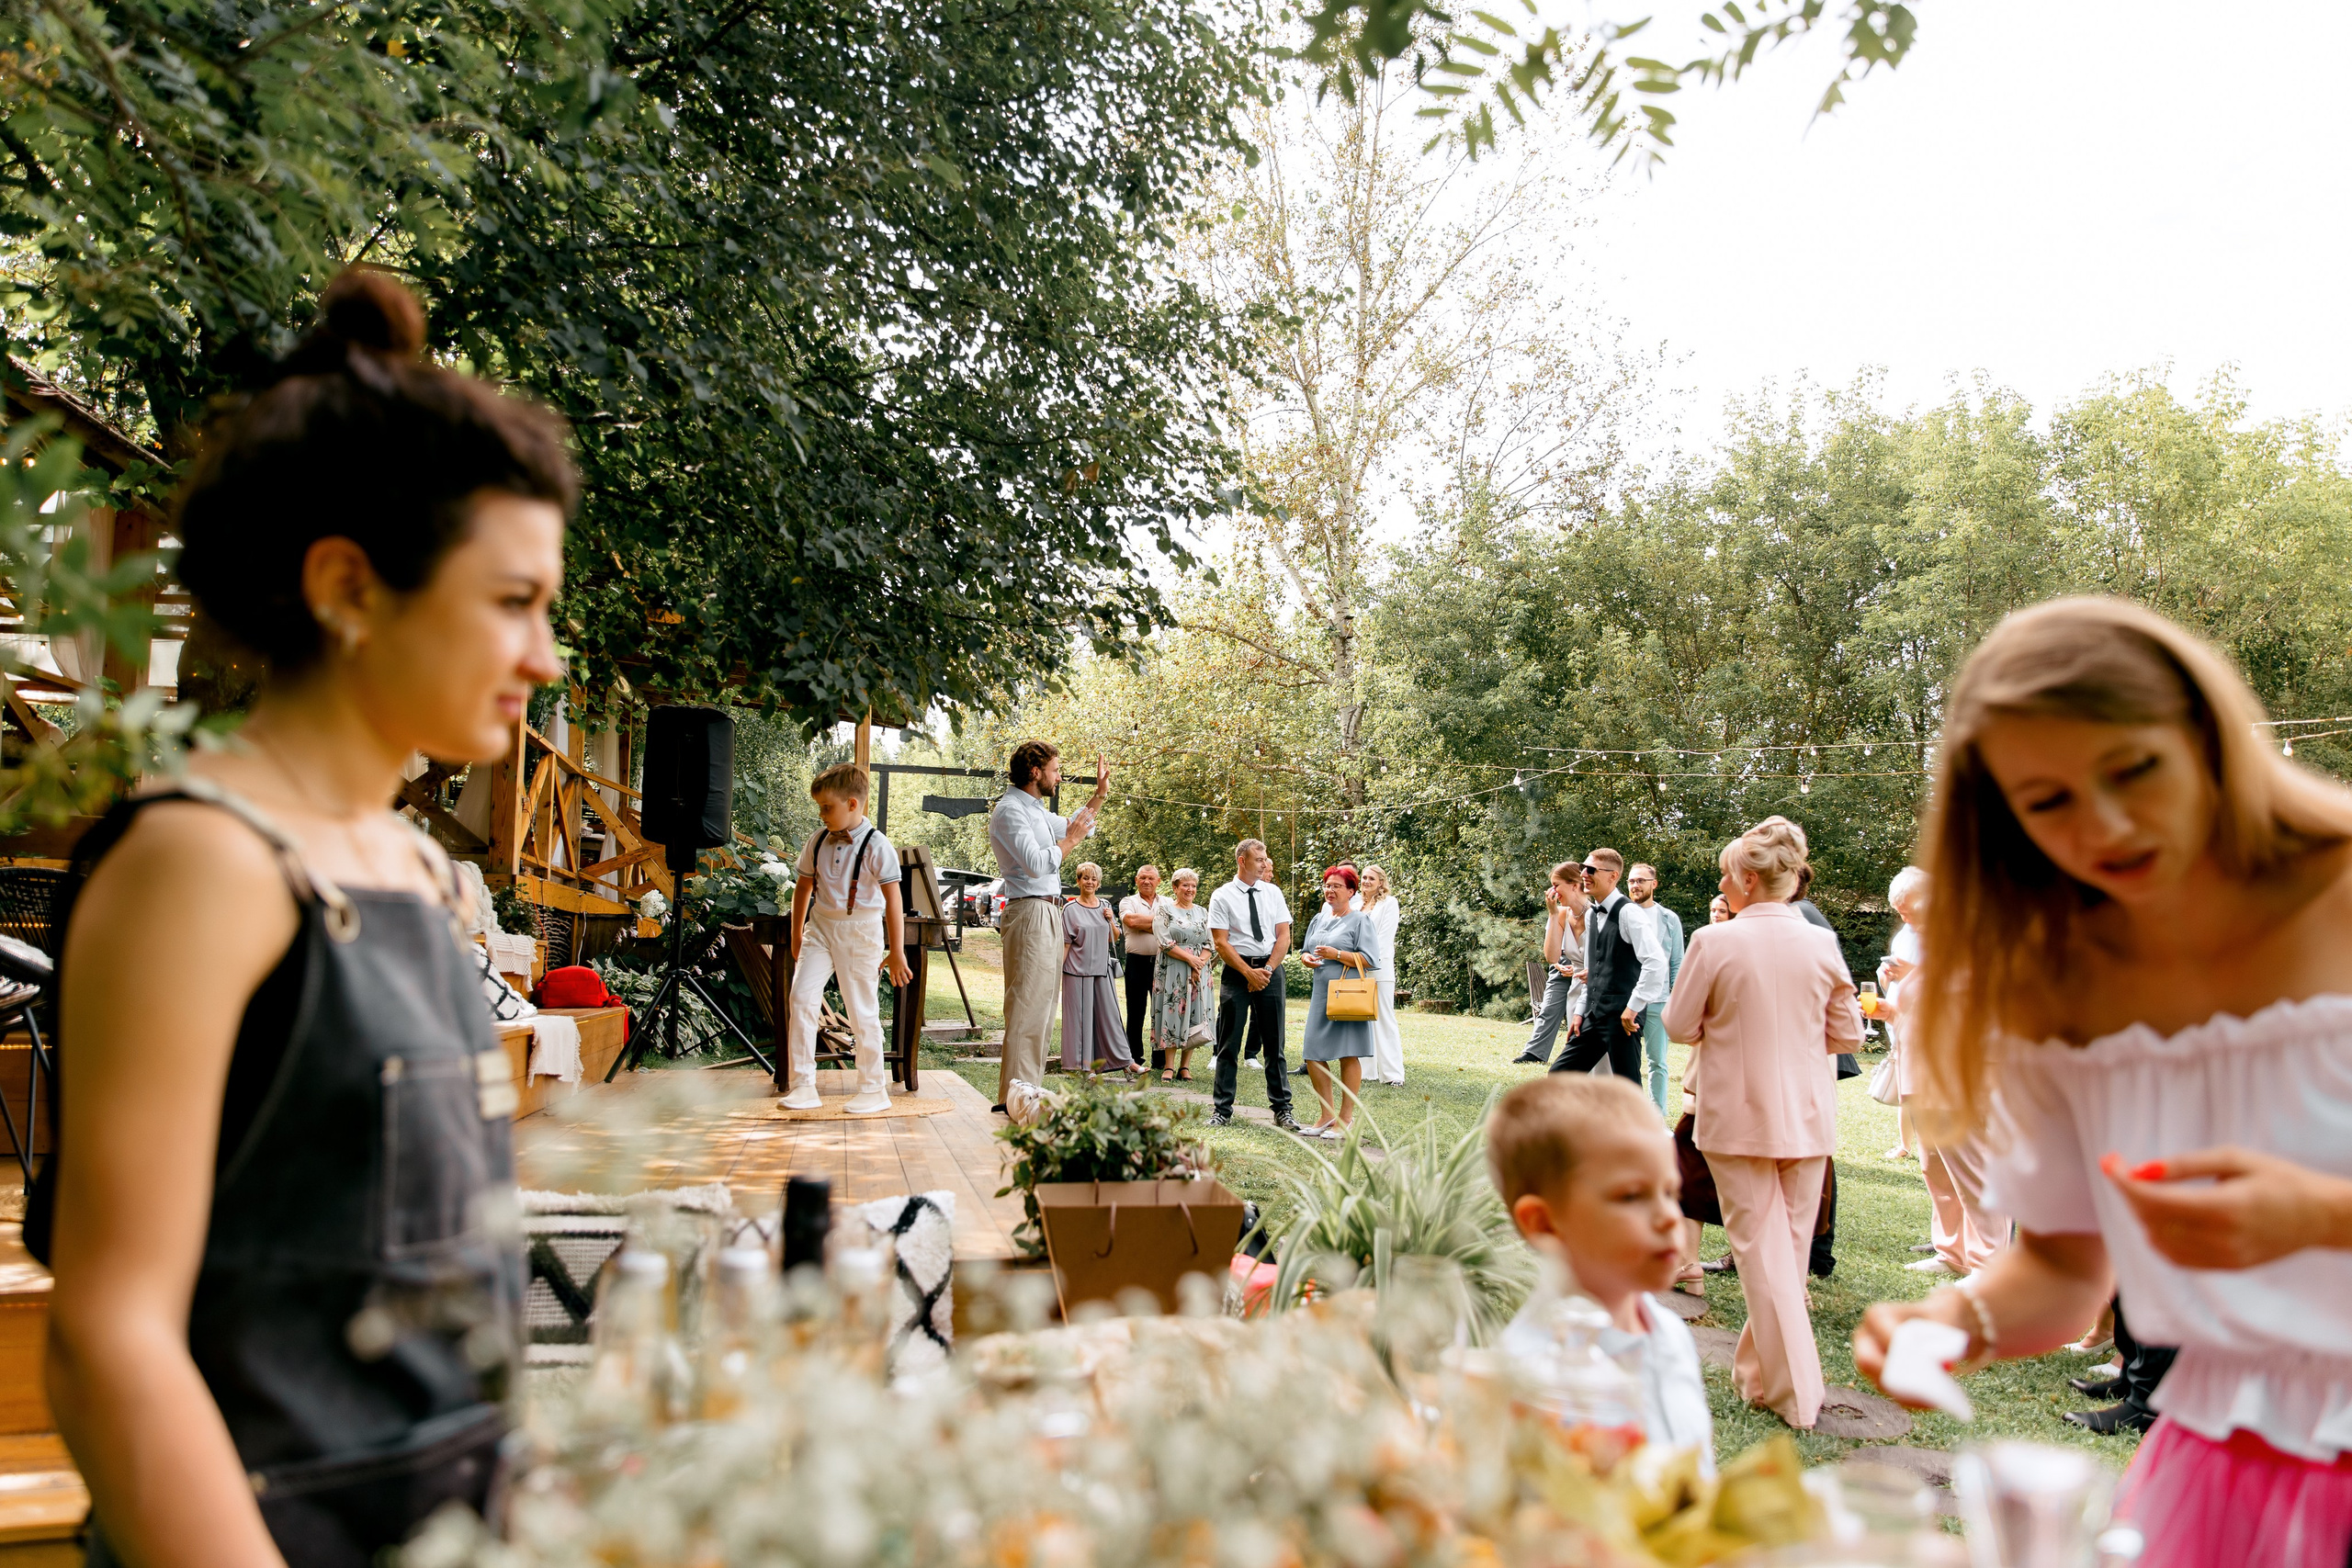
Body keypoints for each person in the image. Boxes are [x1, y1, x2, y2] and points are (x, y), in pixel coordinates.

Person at [43, 267, 573, 1566]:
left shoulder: (412, 866)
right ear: (348, 586)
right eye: (513, 603)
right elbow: (109, 1338)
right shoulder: (201, 866)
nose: (545, 656)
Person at [1851, 598, 2352, 1568]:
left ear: (2204, 737)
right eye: (2048, 802)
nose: (2106, 825)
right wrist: (1958, 1318)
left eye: (2133, 770)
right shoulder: (2059, 987)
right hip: (2221, 1469)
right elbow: (2064, 1266)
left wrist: (2318, 1218)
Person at [1662, 817, 1863, 1429]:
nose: (1722, 884)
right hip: (1807, 1116)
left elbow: (1678, 1025)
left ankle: (1798, 1393)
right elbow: (1850, 1033)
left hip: (1738, 1117)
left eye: (1727, 875)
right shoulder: (1821, 943)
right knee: (1785, 1253)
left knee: (1763, 1254)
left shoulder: (1713, 941)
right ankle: (1756, 1376)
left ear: (1749, 879)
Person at [1489, 1075, 1715, 1473]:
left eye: (1670, 1192)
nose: (1668, 1217)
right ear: (1544, 1224)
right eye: (1632, 1195)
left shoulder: (1669, 1334)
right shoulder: (1528, 1377)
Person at [1876, 866, 2007, 1278]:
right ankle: (1951, 1252)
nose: (1905, 917)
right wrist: (1891, 1007)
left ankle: (1989, 1263)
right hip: (1918, 1062)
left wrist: (1917, 976)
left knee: (1972, 1165)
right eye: (1900, 911)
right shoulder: (1914, 937)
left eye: (1910, 909)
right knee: (1934, 1164)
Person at [782, 762, 914, 1114]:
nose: (822, 814)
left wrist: (897, 951)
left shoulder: (877, 845)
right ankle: (803, 1085)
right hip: (820, 928)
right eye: (820, 808)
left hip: (861, 931)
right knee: (801, 998)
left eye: (827, 807)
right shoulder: (818, 841)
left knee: (861, 1010)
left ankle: (873, 1089)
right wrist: (797, 934)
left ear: (852, 804)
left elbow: (894, 900)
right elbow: (803, 888)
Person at [987, 741, 1109, 1111]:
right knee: (1027, 1008)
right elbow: (1038, 863)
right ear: (1035, 772)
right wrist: (1069, 840)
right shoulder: (1010, 811)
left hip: (1048, 912)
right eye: (1056, 770)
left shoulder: (1035, 809)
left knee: (1040, 1010)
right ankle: (1014, 1101)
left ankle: (1024, 1096)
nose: (1059, 777)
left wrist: (1099, 795)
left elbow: (1078, 826)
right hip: (1030, 912)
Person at [1549, 849, 1665, 1085]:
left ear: (1613, 876)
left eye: (1591, 870)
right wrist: (1580, 1012)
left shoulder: (1629, 913)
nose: (1584, 874)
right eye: (1583, 868)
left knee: (1627, 1087)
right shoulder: (1591, 915)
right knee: (1560, 1075)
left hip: (1623, 1018)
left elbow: (1656, 962)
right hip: (1594, 1015)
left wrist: (1633, 1007)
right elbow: (1593, 969)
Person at [1206, 840, 1300, 1131]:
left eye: (1265, 858)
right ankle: (1222, 1110)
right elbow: (1221, 942)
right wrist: (1248, 973)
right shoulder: (1222, 896)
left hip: (1271, 971)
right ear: (1242, 861)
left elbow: (1283, 936)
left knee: (1274, 1045)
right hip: (1237, 972)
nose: (1264, 863)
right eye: (1259, 859)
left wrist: (1267, 970)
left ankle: (1283, 1110)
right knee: (1228, 1044)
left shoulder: (1273, 893)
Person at [1299, 866, 1384, 1138]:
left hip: (1348, 995)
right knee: (1312, 1054)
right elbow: (1305, 950)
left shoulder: (1360, 920)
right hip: (1321, 994)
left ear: (1351, 892)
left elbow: (1370, 959)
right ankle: (1327, 1115)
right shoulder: (1318, 919)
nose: (1330, 890)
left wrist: (1337, 954)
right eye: (1327, 885)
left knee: (1349, 1053)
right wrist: (1306, 958)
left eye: (1337, 886)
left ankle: (1345, 1119)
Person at [1060, 863, 1139, 1077]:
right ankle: (1085, 1068)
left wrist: (1110, 920)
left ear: (1099, 883)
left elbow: (1114, 937)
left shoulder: (1105, 905)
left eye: (1093, 879)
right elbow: (1065, 944)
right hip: (1076, 971)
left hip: (1102, 970)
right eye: (1085, 878)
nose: (1090, 882)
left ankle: (1126, 1061)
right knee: (1081, 1022)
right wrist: (1058, 973)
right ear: (1078, 881)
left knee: (1110, 1019)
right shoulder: (1070, 909)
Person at [1514, 863, 1588, 1066]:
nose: (1552, 891)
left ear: (1574, 885)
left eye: (1556, 885)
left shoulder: (1597, 914)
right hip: (1562, 963)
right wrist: (1553, 913)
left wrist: (1582, 968)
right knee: (1549, 1008)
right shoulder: (1560, 913)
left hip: (1590, 972)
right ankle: (1535, 1052)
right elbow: (1550, 955)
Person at [1627, 863, 1686, 1113]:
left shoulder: (1669, 919)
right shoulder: (1623, 914)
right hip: (1627, 1000)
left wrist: (1675, 999)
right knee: (1626, 1061)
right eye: (1632, 881)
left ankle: (1657, 1117)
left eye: (1641, 880)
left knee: (1657, 1062)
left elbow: (1677, 961)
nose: (1635, 885)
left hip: (1659, 1000)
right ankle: (1629, 1114)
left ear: (1654, 884)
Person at [1152, 869, 1214, 1081]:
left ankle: (1185, 1066)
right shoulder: (1164, 910)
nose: (1190, 889)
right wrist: (1190, 960)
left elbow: (1210, 942)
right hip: (1173, 968)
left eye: (1193, 886)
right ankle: (1169, 1066)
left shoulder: (1203, 912)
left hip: (1199, 970)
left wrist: (1199, 964)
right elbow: (1164, 941)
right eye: (1185, 885)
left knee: (1194, 1012)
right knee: (1173, 1010)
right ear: (1175, 887)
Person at [1119, 865, 1171, 1070]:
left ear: (1159, 881)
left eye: (1151, 878)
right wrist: (1161, 925)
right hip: (1136, 963)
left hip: (1163, 963)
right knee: (1135, 1012)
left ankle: (1160, 1060)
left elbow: (1175, 926)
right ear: (1136, 880)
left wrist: (1148, 925)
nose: (1146, 881)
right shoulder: (1128, 902)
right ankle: (1133, 1059)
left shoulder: (1168, 902)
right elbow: (1131, 921)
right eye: (1142, 878)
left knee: (1161, 1011)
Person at [1361, 864, 1406, 1086]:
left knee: (1385, 1019)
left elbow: (1384, 938)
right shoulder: (1357, 905)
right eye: (1364, 877)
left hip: (1379, 968)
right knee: (1362, 1019)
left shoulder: (1389, 903)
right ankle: (1366, 1071)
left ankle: (1393, 1074)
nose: (1366, 881)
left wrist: (1364, 959)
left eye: (1371, 878)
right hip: (1357, 969)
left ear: (1381, 882)